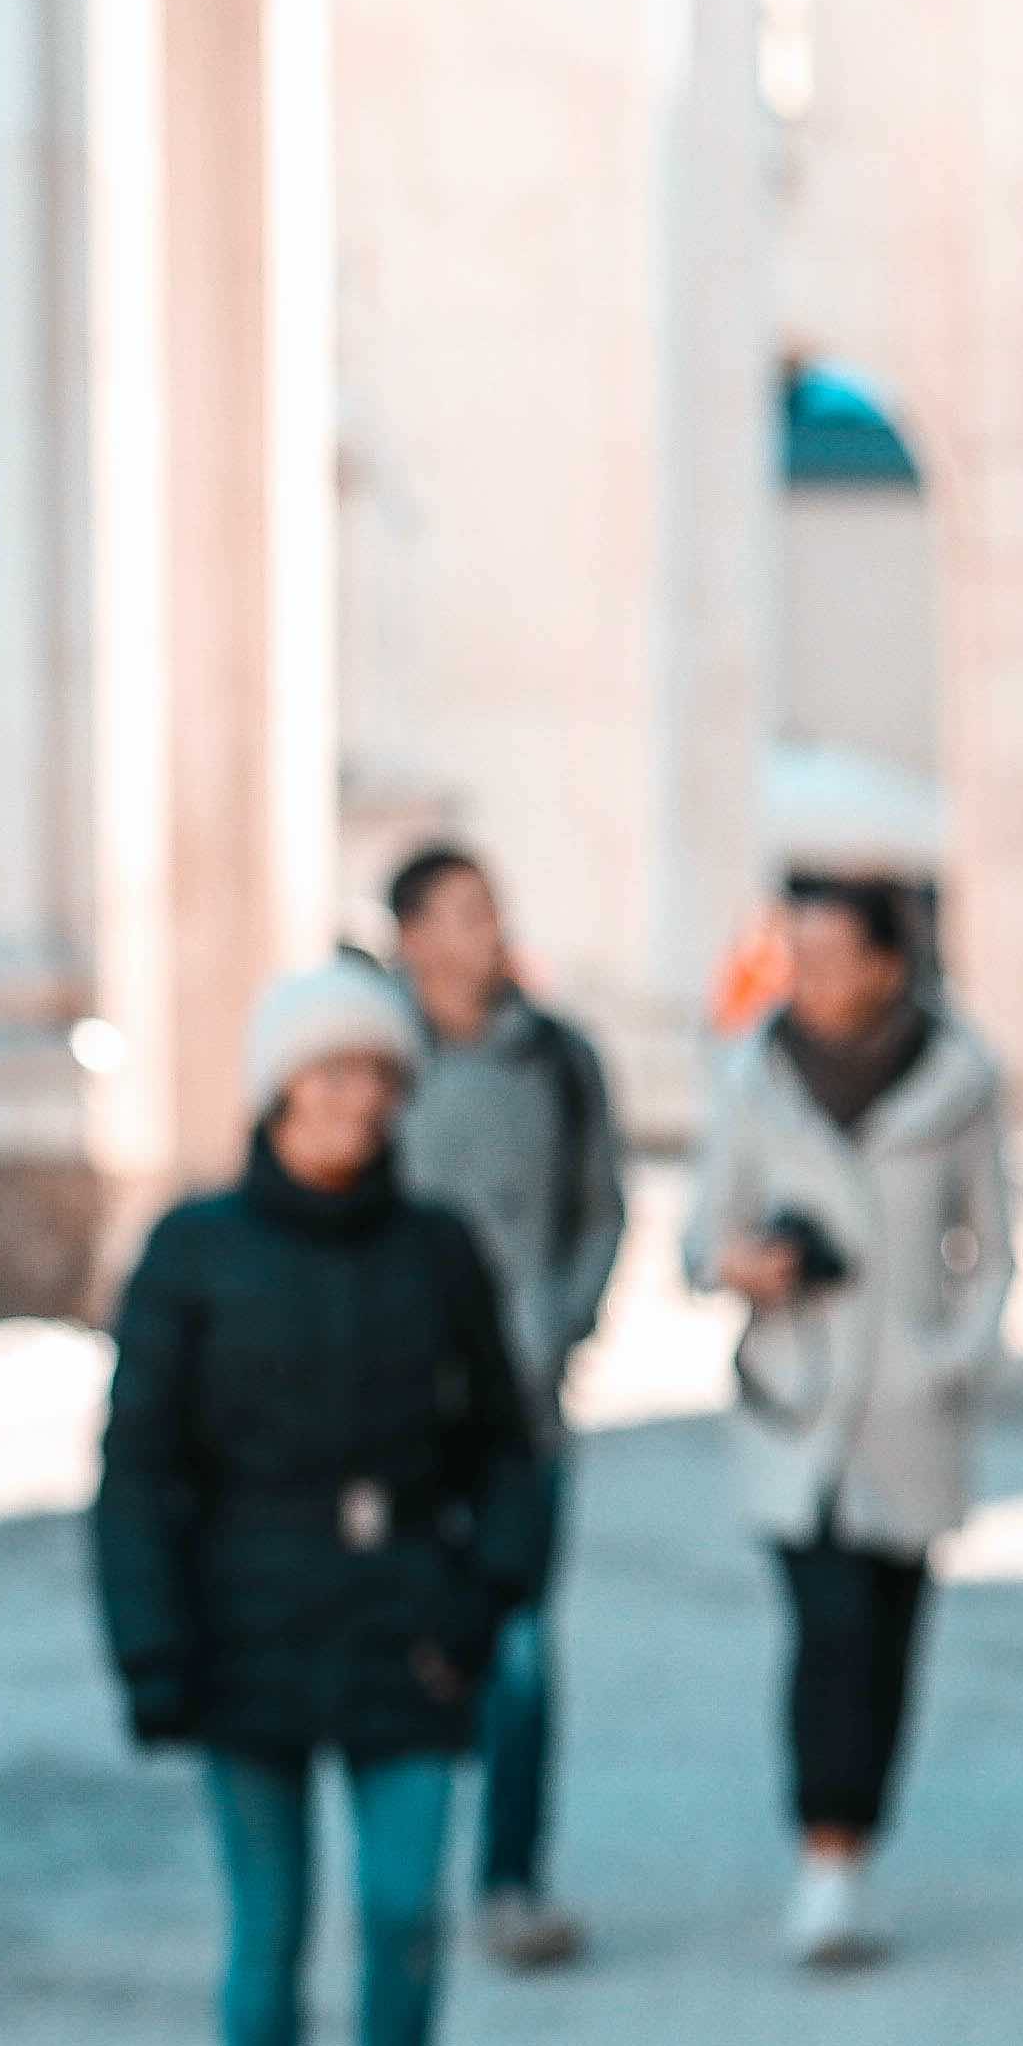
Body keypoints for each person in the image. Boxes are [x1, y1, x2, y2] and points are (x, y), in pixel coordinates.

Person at [95, 960, 550, 2046]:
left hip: (408, 1628)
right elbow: (135, 1471)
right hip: (248, 1633)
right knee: (270, 1934)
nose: (358, 1099)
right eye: (333, 1073)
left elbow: (509, 1453)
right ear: (279, 1089)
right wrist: (151, 1650)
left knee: (408, 1916)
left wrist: (484, 1604)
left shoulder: (438, 1250)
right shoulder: (195, 1252)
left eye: (379, 1076)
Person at [685, 872, 1009, 1972]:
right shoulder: (750, 1076)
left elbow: (994, 1251)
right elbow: (699, 1235)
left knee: (890, 1633)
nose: (809, 983)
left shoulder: (962, 1079)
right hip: (795, 1400)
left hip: (909, 1411)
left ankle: (858, 1840)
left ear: (886, 963)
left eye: (831, 959)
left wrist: (951, 1357)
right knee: (829, 1630)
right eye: (797, 959)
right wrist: (747, 1265)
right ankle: (824, 1852)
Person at [381, 844, 626, 1970]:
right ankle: (405, 1878)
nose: (486, 931)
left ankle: (512, 1880)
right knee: (403, 1640)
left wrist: (558, 1325)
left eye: (493, 908)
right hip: (388, 1408)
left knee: (520, 1646)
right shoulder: (367, 1058)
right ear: (410, 934)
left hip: (522, 1406)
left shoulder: (558, 1060)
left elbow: (599, 1209)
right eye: (462, 912)